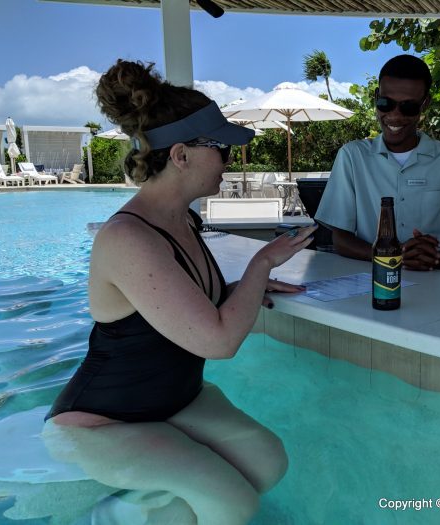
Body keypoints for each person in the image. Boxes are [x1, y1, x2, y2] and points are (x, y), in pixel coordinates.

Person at [42, 59, 317, 524]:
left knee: (268, 462)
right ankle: (109, 517)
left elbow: (178, 306)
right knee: (232, 503)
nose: (229, 162)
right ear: (181, 155)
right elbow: (218, 341)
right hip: (102, 423)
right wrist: (261, 263)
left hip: (176, 400)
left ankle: (138, 510)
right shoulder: (129, 237)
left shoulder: (184, 219)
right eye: (222, 150)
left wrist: (242, 288)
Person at [315, 54, 440, 271]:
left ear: (425, 104)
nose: (395, 115)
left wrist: (437, 258)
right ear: (376, 98)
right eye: (386, 103)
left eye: (409, 107)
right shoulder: (352, 157)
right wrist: (394, 256)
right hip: (370, 287)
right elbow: (340, 239)